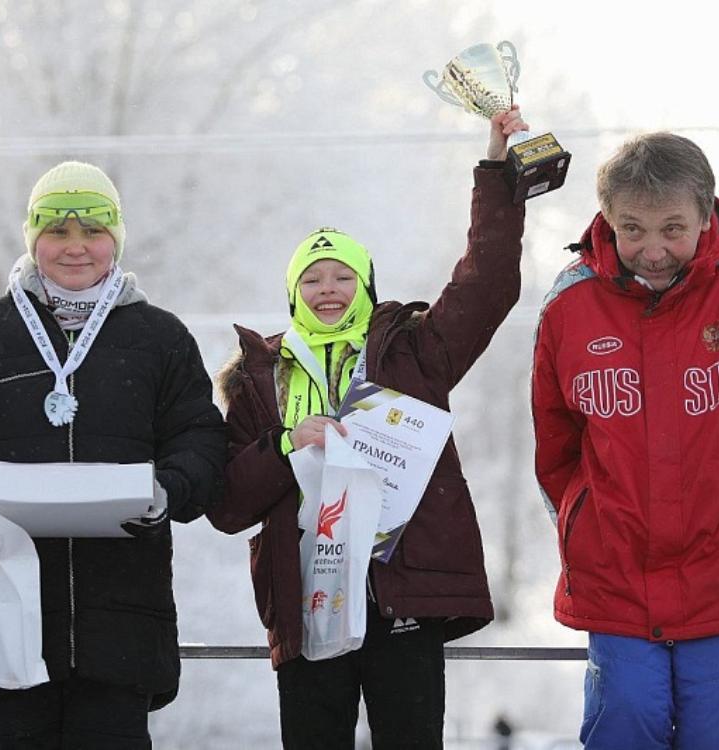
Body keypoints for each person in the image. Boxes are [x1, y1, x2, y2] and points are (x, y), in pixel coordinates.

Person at [207, 107, 529, 749]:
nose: (327, 288)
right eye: (312, 278)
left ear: (367, 284)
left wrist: (496, 169)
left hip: (399, 590)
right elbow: (227, 503)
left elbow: (486, 285)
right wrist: (286, 445)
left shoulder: (412, 351)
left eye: (343, 276)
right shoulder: (256, 377)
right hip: (306, 596)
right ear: (293, 293)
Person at [0, 160, 225, 749]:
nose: (76, 247)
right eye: (57, 230)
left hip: (123, 622)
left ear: (116, 239)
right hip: (8, 617)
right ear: (33, 238)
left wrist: (168, 489)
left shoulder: (160, 338)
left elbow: (201, 439)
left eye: (93, 231)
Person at [532, 133, 719, 749]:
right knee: (626, 717)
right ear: (608, 219)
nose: (654, 250)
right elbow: (556, 447)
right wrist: (587, 522)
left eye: (673, 229)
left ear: (706, 213)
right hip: (615, 575)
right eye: (633, 230)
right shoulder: (570, 304)